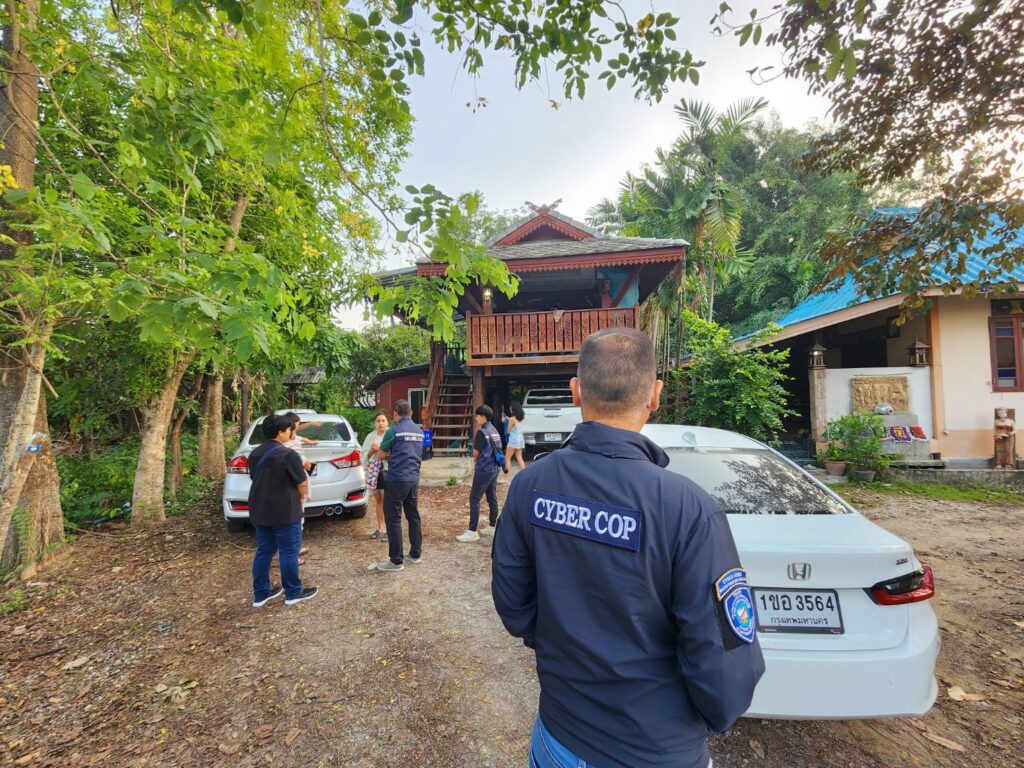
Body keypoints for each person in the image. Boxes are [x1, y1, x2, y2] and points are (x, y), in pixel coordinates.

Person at [491, 327, 764, 768]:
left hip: (560, 737)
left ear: (576, 392)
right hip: (655, 748)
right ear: (654, 394)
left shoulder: (530, 486)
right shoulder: (688, 509)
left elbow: (513, 604)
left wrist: (562, 648)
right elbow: (725, 664)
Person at [249, 414, 318, 607]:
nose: (291, 432)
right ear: (281, 432)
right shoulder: (288, 454)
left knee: (264, 551)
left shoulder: (255, 453)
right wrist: (301, 498)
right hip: (285, 510)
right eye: (289, 430)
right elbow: (302, 483)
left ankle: (261, 593)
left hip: (260, 509)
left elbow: (255, 477)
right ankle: (293, 592)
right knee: (289, 551)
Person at [371, 400, 423, 572]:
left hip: (396, 479)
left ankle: (396, 560)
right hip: (413, 478)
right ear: (411, 413)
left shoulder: (393, 431)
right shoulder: (419, 431)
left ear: (394, 414)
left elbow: (382, 454)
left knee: (393, 519)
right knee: (413, 516)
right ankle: (415, 554)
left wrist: (389, 454)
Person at [456, 405, 503, 542]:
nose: (476, 418)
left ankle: (472, 531)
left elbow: (476, 453)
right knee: (491, 496)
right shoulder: (494, 429)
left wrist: (475, 461)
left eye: (477, 415)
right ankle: (492, 526)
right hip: (494, 468)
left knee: (475, 499)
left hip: (484, 469)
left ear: (483, 417)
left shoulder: (482, 432)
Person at [361, 411, 390, 541]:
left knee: (388, 501)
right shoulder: (370, 436)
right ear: (374, 423)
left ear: (387, 422)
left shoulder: (391, 434)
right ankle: (381, 528)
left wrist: (383, 452)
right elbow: (363, 456)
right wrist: (372, 450)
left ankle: (390, 529)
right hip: (374, 472)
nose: (380, 423)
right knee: (378, 500)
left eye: (383, 420)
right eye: (378, 421)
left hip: (388, 471)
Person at [504, 401, 526, 474]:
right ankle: (525, 475)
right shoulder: (522, 418)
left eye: (511, 408)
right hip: (520, 438)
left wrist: (505, 421)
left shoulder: (512, 419)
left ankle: (506, 478)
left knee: (507, 458)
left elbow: (508, 431)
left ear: (514, 409)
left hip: (513, 439)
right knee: (519, 457)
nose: (510, 409)